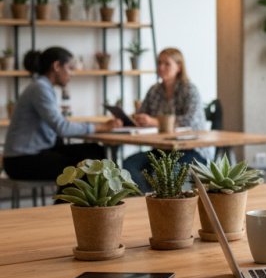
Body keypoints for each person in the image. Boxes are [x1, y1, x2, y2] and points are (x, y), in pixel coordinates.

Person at [2, 47, 114, 181]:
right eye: (70, 68)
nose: (73, 73)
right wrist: (100, 127)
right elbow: (61, 127)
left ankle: (81, 200)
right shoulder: (40, 88)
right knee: (83, 166)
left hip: (34, 154)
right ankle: (67, 202)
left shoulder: (43, 87)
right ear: (56, 66)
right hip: (20, 161)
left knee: (94, 151)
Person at [122, 47, 210, 189]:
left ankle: (157, 201)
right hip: (162, 150)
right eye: (159, 63)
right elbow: (144, 114)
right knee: (128, 165)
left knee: (163, 173)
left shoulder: (189, 90)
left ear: (179, 67)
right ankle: (148, 200)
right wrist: (139, 119)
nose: (161, 67)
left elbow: (190, 121)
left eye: (166, 64)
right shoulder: (154, 90)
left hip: (190, 151)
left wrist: (155, 121)